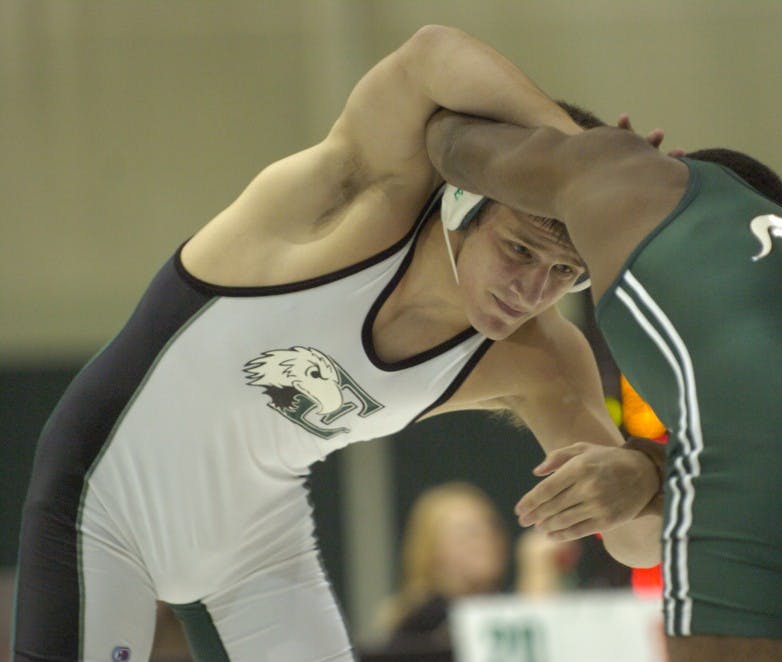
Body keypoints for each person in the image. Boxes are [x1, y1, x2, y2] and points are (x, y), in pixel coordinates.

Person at [12, 26, 663, 661]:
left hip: (255, 546)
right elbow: (431, 54)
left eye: (565, 272)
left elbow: (636, 544)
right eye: (519, 250)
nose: (533, 290)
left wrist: (643, 477)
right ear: (464, 205)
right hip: (105, 495)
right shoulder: (366, 197)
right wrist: (585, 159)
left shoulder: (542, 359)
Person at [425, 103, 782, 658]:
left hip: (776, 412)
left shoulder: (617, 171)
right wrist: (649, 469)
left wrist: (589, 147)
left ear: (676, 165)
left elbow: (447, 137)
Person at [372, 482, 508, 656]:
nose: (486, 541)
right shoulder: (420, 626)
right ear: (431, 549)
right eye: (470, 533)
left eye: (491, 529)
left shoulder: (507, 608)